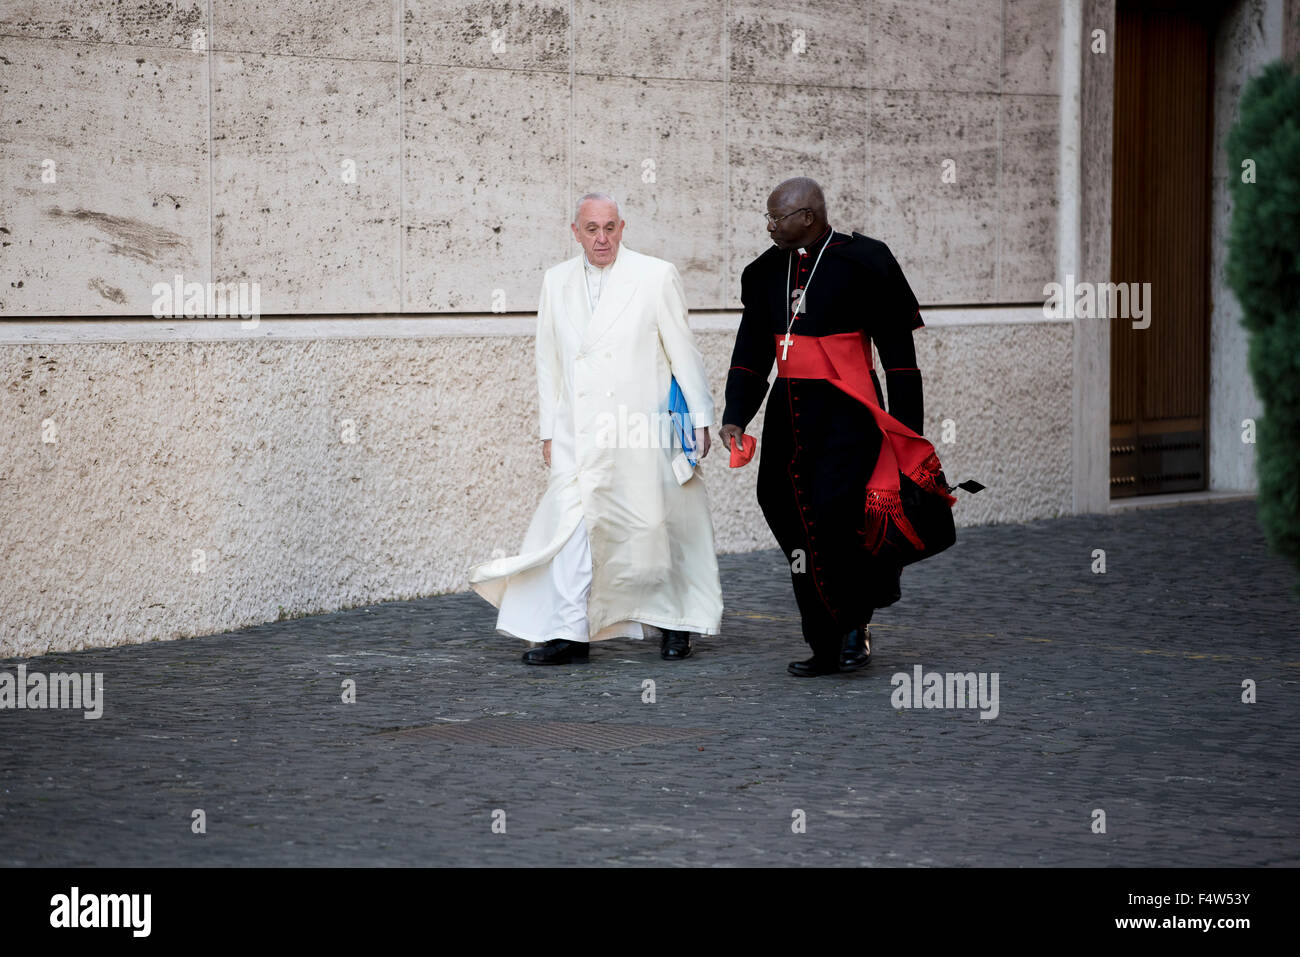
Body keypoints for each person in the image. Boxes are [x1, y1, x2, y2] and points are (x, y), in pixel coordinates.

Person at [469, 193, 723, 665]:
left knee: (653, 524)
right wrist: (549, 431)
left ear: (623, 228)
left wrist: (702, 419)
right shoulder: (555, 281)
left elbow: (684, 351)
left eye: (610, 227)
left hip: (641, 429)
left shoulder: (655, 275)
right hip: (577, 432)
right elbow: (549, 360)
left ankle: (673, 623)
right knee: (572, 528)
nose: (602, 238)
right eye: (592, 229)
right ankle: (570, 631)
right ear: (576, 232)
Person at [719, 177, 952, 677]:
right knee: (786, 509)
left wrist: (906, 437)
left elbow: (900, 360)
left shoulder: (865, 261)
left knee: (837, 518)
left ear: (809, 216)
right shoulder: (764, 272)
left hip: (849, 414)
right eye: (768, 219)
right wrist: (736, 414)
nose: (770, 227)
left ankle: (847, 631)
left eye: (777, 219)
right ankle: (829, 629)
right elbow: (752, 351)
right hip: (788, 416)